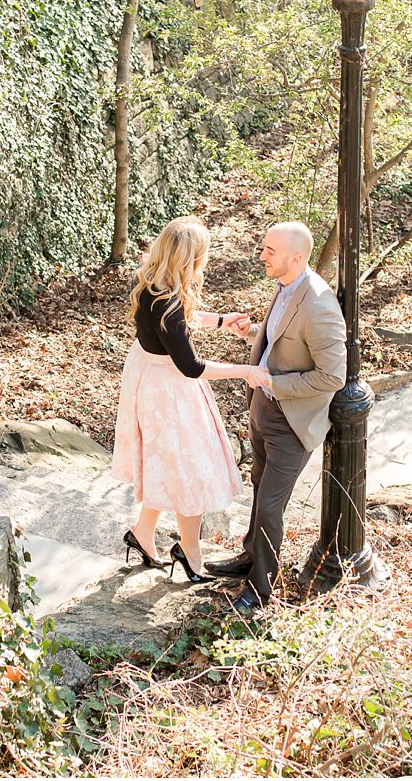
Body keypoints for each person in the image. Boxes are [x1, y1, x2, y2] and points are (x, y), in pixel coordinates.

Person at [113, 216, 270, 584]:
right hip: (167, 389)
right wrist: (246, 371)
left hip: (151, 377)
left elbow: (180, 323)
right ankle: (191, 553)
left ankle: (143, 534)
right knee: (189, 468)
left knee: (165, 462)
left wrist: (220, 320)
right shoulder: (165, 302)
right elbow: (192, 366)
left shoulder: (155, 284)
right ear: (190, 258)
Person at [209, 221, 346, 615]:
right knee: (258, 486)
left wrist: (274, 382)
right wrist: (251, 331)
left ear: (296, 258)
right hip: (262, 408)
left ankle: (260, 591)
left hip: (292, 421)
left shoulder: (320, 304)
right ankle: (250, 556)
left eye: (270, 250)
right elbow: (283, 339)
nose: (262, 255)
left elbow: (333, 376)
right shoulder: (286, 287)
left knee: (270, 505)